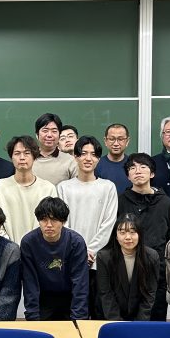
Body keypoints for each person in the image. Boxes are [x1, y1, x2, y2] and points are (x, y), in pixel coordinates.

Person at [56, 135, 118, 316]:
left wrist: (90, 251)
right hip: (69, 259)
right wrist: (78, 252)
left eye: (93, 154)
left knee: (98, 313)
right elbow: (61, 222)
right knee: (71, 313)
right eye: (83, 153)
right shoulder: (63, 187)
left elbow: (108, 223)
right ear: (75, 156)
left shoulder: (107, 187)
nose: (88, 158)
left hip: (98, 261)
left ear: (98, 159)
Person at [116, 153, 170, 320]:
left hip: (157, 271)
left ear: (152, 173)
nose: (138, 171)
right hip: (126, 271)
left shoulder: (166, 203)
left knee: (156, 321)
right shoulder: (120, 201)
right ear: (128, 176)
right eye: (132, 168)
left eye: (143, 167)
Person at [20, 197, 89, 322]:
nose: (49, 225)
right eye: (44, 220)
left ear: (63, 221)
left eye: (54, 220)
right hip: (43, 299)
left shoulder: (76, 242)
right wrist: (33, 317)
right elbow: (30, 283)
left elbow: (80, 283)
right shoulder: (28, 242)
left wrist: (79, 319)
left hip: (70, 298)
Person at [0, 135, 57, 243]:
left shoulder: (48, 188)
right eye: (17, 153)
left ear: (34, 156)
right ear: (11, 157)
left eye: (27, 153)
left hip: (40, 247)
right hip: (8, 248)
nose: (22, 157)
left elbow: (52, 222)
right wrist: (11, 247)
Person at [96, 213, 162, 321]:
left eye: (132, 232)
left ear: (140, 234)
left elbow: (150, 293)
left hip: (140, 316)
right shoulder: (103, 257)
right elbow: (106, 293)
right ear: (116, 236)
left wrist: (138, 324)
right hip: (110, 316)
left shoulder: (152, 257)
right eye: (122, 232)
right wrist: (117, 323)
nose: (128, 237)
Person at [32, 112, 78, 185]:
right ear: (37, 135)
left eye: (54, 131)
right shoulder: (28, 159)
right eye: (45, 131)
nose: (49, 135)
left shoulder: (71, 161)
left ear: (59, 135)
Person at [95, 123, 132, 193]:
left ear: (127, 141)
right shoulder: (96, 165)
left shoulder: (133, 165)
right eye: (112, 139)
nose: (116, 144)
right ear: (105, 141)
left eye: (120, 139)